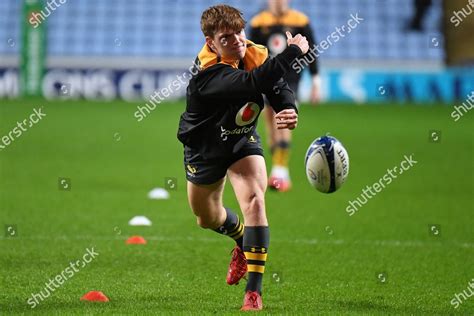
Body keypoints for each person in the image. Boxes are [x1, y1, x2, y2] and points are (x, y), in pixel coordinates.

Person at [177, 4, 308, 311]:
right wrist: (291, 53)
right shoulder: (206, 73)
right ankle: (240, 240)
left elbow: (276, 86)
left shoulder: (253, 52)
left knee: (256, 201)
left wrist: (288, 106)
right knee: (206, 218)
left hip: (241, 140)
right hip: (205, 148)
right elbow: (252, 83)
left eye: (239, 32)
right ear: (211, 42)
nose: (237, 40)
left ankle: (254, 292)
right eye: (226, 37)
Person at [249, 0, 320, 192]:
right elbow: (251, 54)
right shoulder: (258, 22)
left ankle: (281, 170)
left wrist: (315, 81)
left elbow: (312, 51)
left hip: (290, 78)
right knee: (271, 125)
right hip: (267, 78)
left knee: (285, 119)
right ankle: (278, 170)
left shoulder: (300, 20)